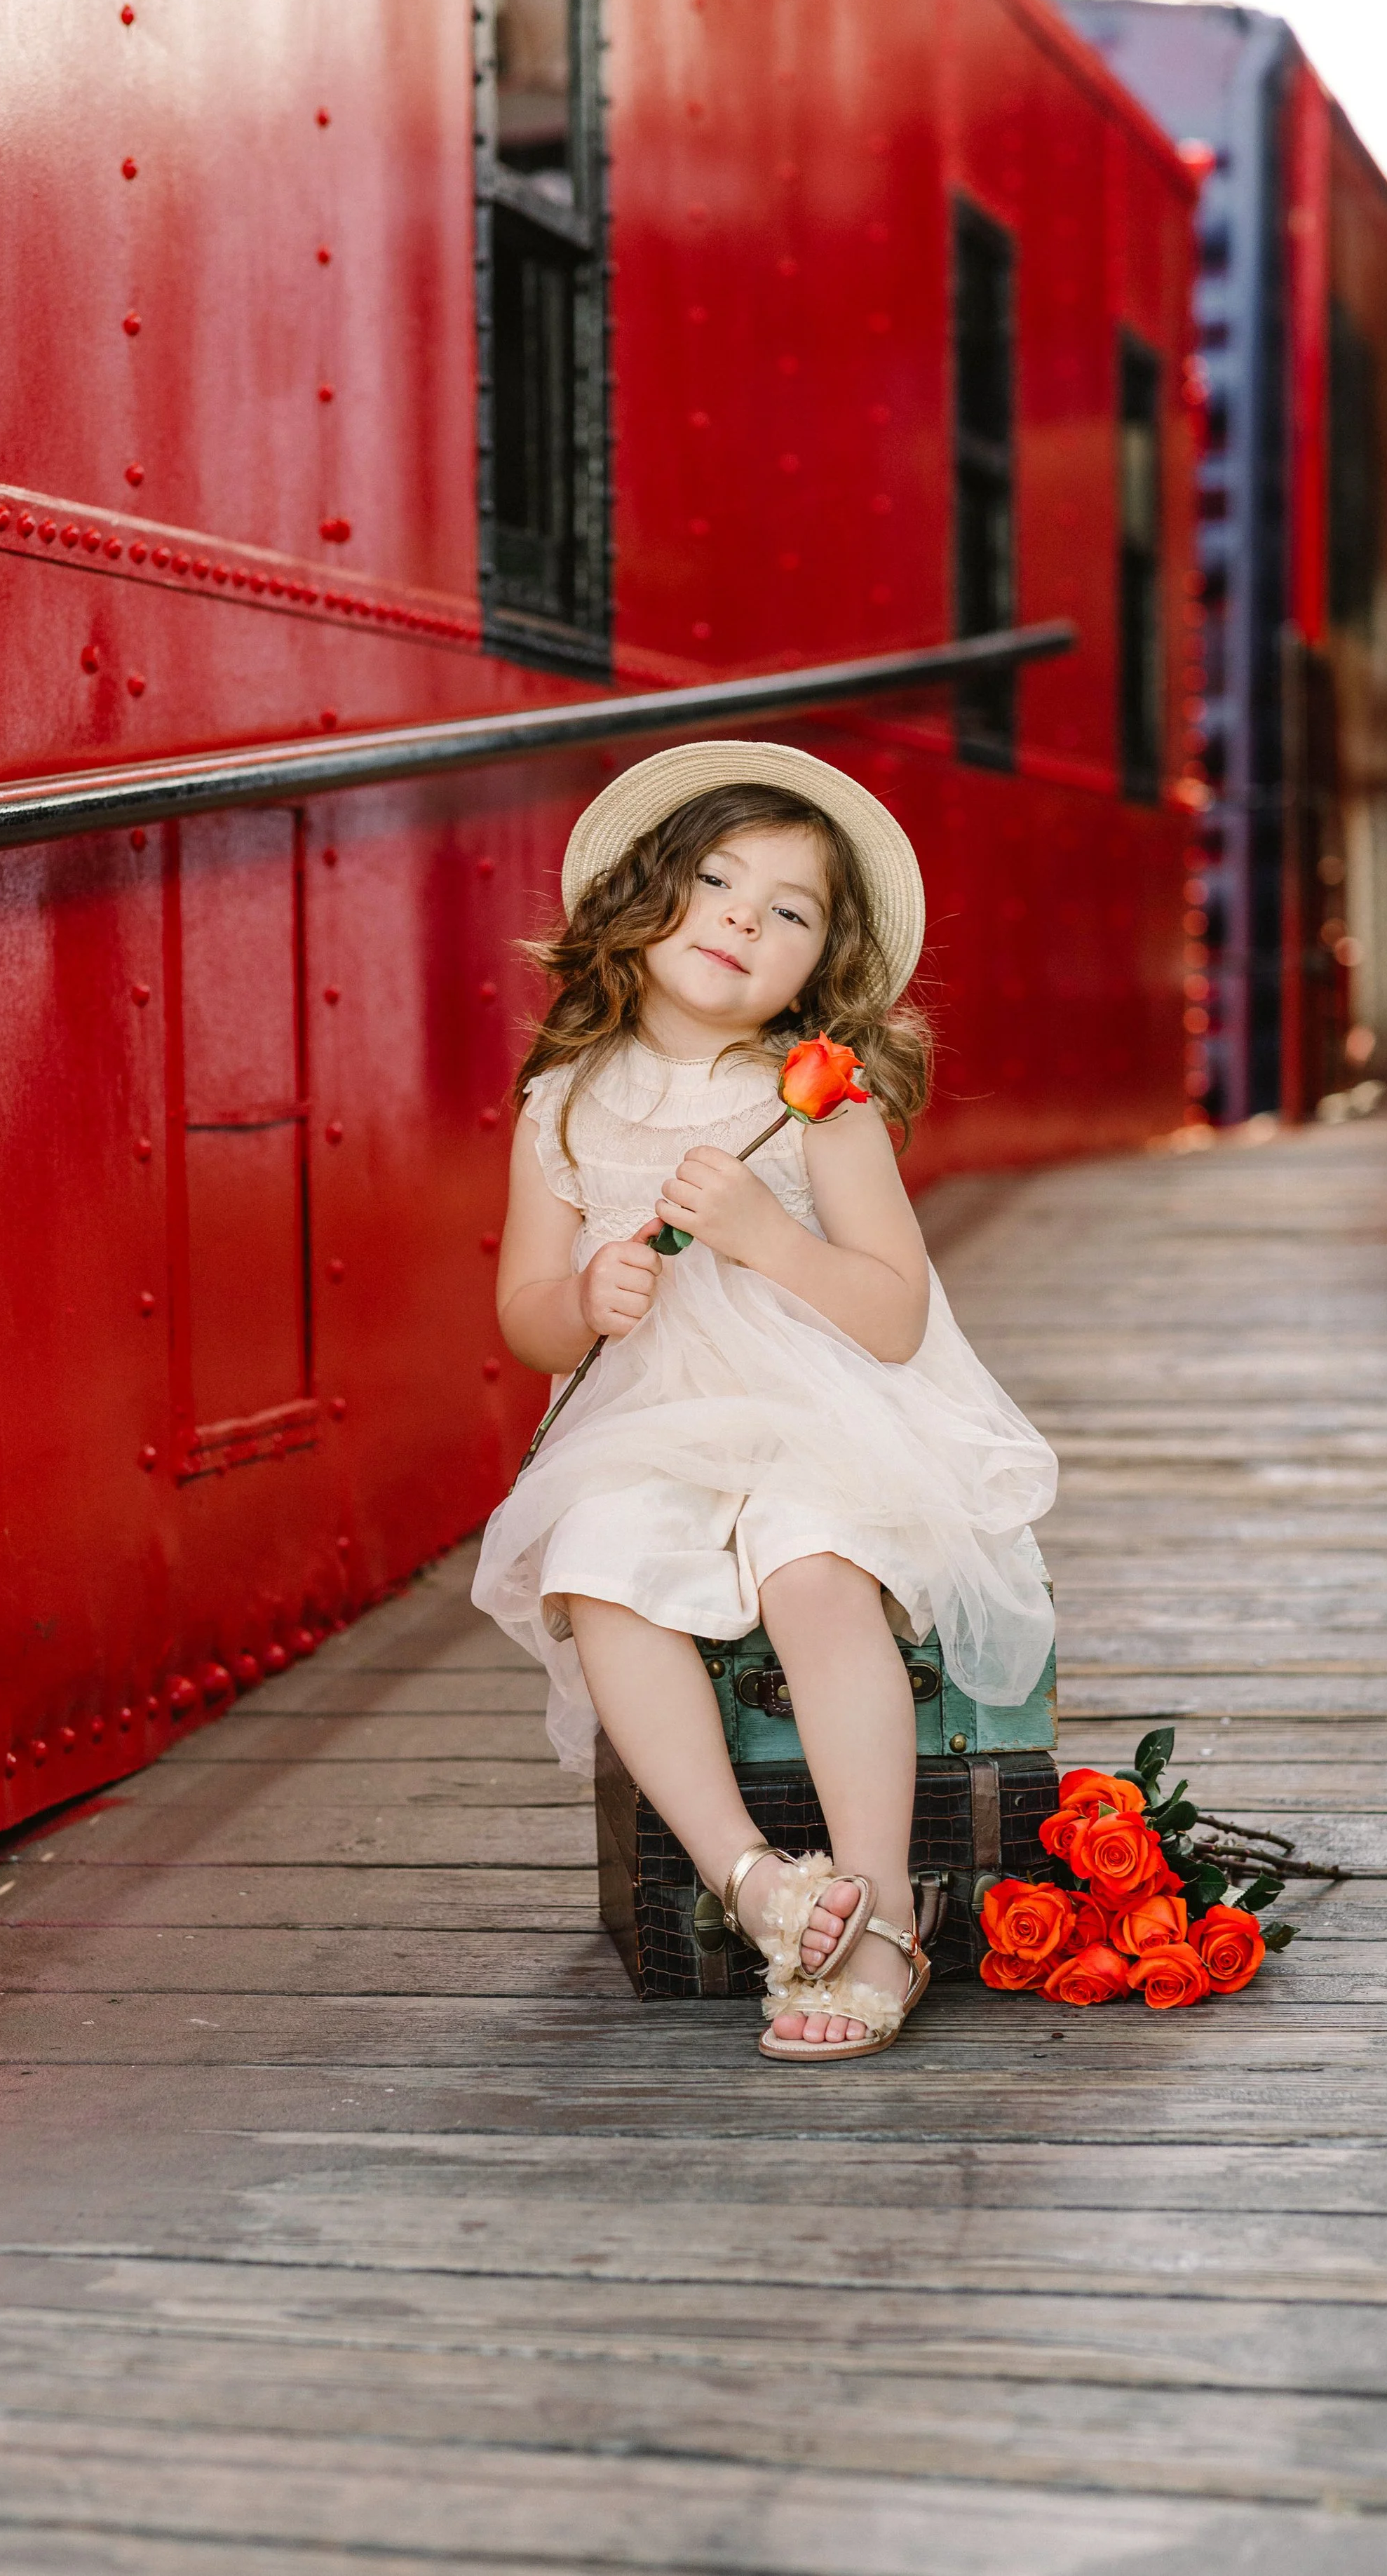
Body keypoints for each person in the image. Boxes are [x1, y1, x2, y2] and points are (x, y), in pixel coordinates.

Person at [473, 741, 1057, 2058]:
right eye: (717, 878)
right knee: (602, 1562)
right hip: (655, 1417)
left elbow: (895, 1312)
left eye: (789, 910)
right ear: (642, 902)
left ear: (820, 967)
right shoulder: (561, 1103)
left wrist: (762, 1235)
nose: (744, 914)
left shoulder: (821, 1103)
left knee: (812, 1566)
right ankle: (761, 1885)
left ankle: (883, 1911)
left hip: (825, 1405)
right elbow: (523, 1313)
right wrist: (586, 1302)